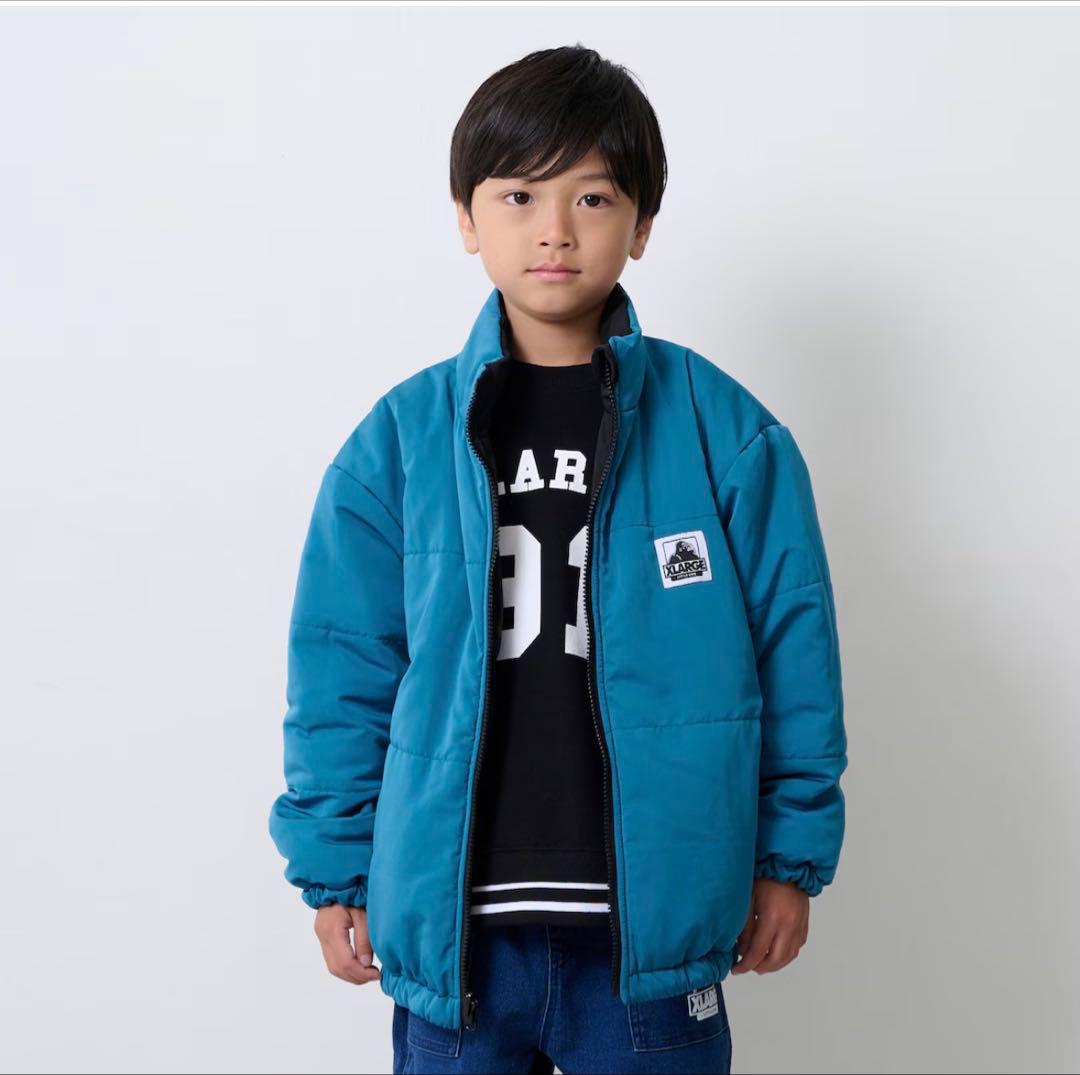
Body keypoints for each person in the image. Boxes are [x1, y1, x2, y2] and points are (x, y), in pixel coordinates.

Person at [269, 44, 847, 1075]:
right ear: (466, 217)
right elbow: (342, 670)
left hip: (652, 941)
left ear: (643, 223)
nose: (555, 230)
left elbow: (794, 652)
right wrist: (337, 869)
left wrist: (787, 858)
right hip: (458, 936)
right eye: (519, 195)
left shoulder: (725, 433)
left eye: (593, 197)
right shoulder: (398, 442)